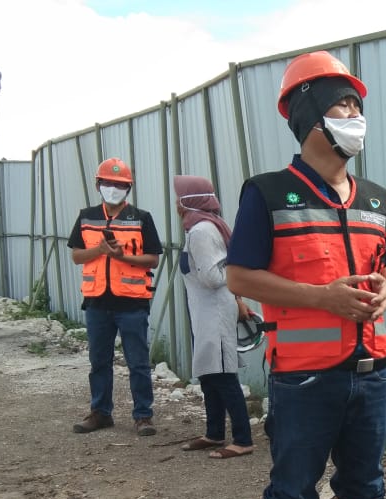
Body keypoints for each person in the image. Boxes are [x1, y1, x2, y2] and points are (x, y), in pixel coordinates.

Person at [226, 51, 386, 499]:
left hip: (372, 370)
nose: (356, 115)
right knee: (292, 490)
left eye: (358, 106)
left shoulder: (378, 198)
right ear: (309, 115)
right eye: (343, 105)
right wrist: (322, 299)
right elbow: (240, 278)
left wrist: (385, 288)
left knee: (366, 481)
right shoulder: (267, 194)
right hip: (304, 378)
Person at [68, 158, 162, 436]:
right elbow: (76, 256)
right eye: (108, 183)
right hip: (97, 302)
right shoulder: (86, 217)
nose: (113, 188)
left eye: (120, 185)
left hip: (131, 302)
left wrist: (123, 256)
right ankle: (100, 412)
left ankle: (143, 416)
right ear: (98, 185)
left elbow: (153, 259)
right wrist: (100, 250)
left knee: (138, 362)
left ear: (128, 188)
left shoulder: (141, 217)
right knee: (99, 361)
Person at [174, 175, 255, 460]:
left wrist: (236, 295)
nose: (175, 203)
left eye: (178, 197)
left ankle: (243, 439)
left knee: (223, 375)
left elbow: (211, 276)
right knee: (209, 375)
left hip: (215, 311)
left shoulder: (201, 231)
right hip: (207, 311)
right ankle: (214, 432)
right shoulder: (201, 228)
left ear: (187, 201)